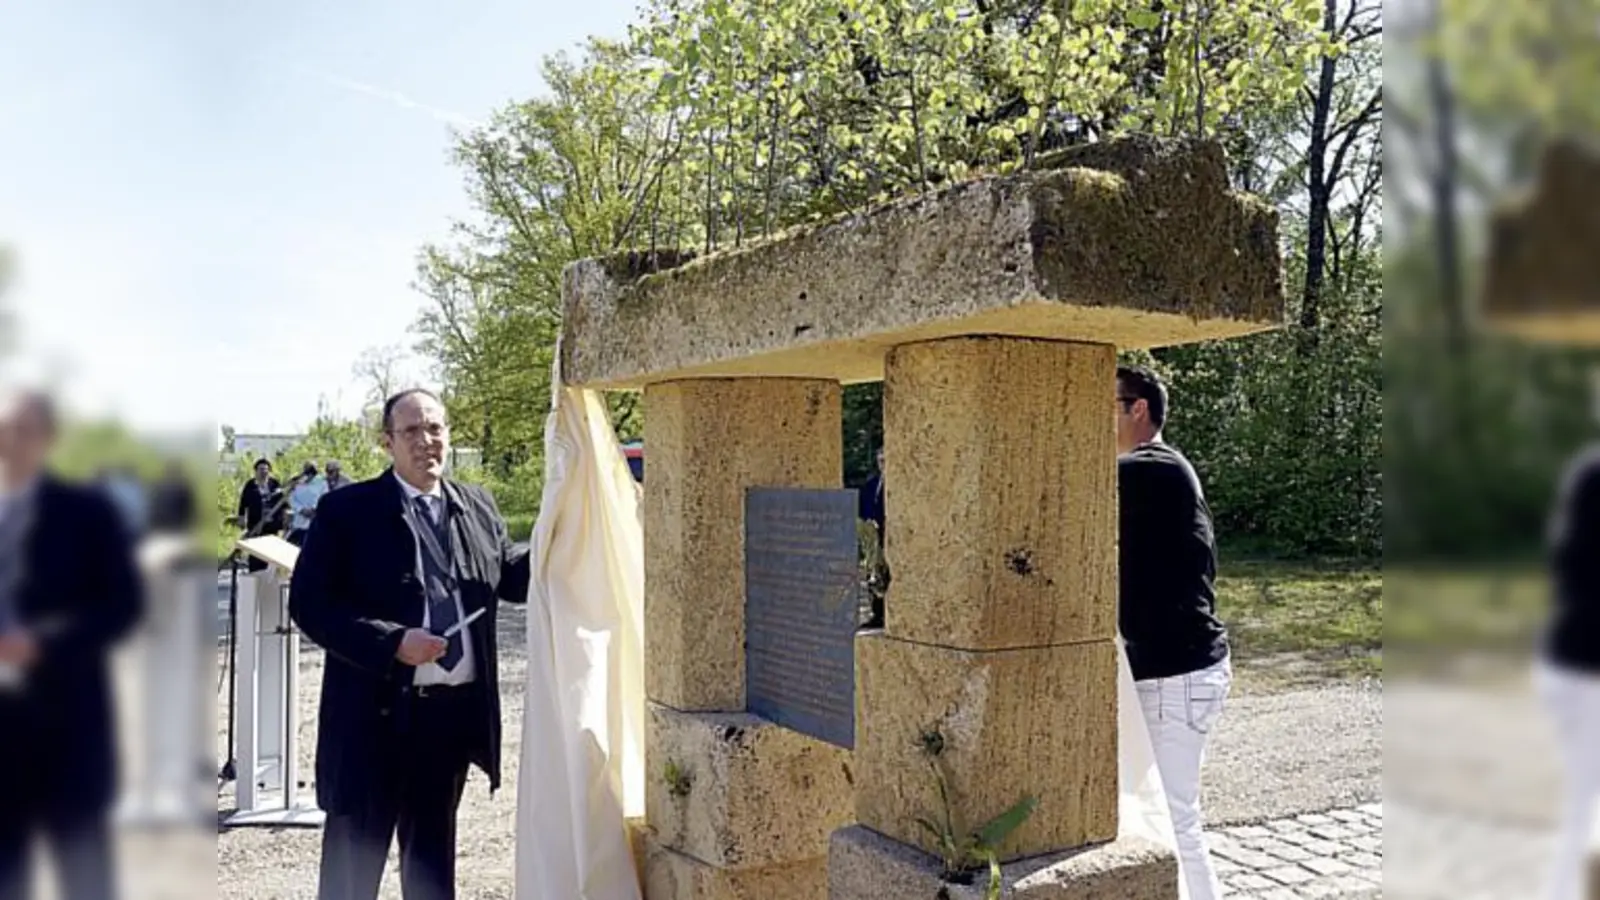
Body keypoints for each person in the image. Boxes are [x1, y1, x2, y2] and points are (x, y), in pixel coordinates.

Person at [290, 388, 530, 900]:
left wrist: (571, 525)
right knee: (350, 880)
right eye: (412, 431)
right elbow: (310, 605)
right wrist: (393, 642)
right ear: (388, 442)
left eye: (435, 428)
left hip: (447, 723)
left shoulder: (477, 506)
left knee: (431, 875)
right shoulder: (347, 511)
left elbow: (512, 578)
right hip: (370, 722)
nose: (426, 441)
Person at [0, 389, 144, 900]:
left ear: (48, 438)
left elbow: (123, 605)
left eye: (22, 430)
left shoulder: (87, 513)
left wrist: (42, 644)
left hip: (68, 729)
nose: (9, 440)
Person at [1114, 364, 1231, 900]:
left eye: (1104, 404)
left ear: (1138, 408)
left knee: (1174, 816)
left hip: (1178, 673)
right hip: (1174, 670)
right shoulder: (1152, 474)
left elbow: (1072, 477)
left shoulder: (1153, 468)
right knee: (1160, 813)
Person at [1536, 440, 1600, 900]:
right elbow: (1577, 573)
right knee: (1585, 808)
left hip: (1573, 665)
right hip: (1585, 671)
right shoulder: (1595, 479)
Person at [236, 459, 282, 571]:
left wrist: (283, 518)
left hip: (271, 524)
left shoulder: (274, 484)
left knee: (270, 550)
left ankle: (268, 572)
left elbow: (282, 501)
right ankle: (254, 571)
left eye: (266, 469)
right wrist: (241, 517)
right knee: (256, 550)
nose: (264, 472)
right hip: (255, 523)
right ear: (256, 471)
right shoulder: (250, 485)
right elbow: (243, 502)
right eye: (261, 469)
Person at [285, 462, 327, 546]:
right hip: (298, 524)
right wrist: (301, 510)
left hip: (314, 524)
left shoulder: (322, 483)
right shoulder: (297, 482)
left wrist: (313, 510)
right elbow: (291, 498)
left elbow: (325, 498)